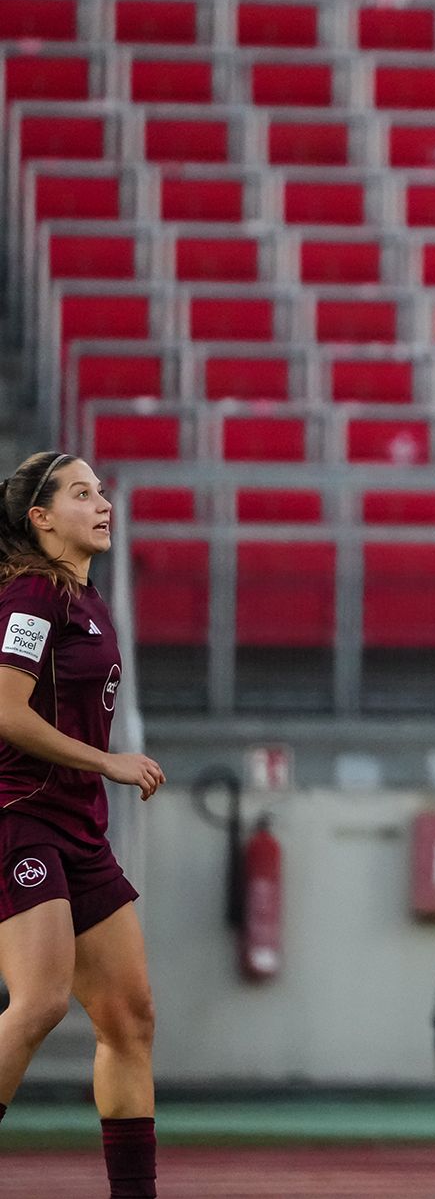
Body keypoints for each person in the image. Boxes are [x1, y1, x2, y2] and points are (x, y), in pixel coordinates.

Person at [0, 452, 165, 1199]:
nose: (102, 503)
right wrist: (112, 763)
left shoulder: (87, 596)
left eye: (102, 491)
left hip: (80, 827)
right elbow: (4, 713)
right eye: (80, 492)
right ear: (40, 517)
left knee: (130, 1019)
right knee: (38, 1002)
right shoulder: (34, 592)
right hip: (20, 814)